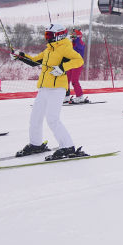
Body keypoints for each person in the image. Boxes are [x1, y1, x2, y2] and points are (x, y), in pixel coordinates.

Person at [11, 24, 87, 159]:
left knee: (52, 119)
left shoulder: (65, 48)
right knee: (35, 118)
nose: (47, 38)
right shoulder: (49, 50)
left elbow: (79, 60)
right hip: (44, 88)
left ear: (59, 35)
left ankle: (67, 146)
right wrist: (20, 56)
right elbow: (35, 61)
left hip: (57, 89)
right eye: (46, 35)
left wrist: (62, 67)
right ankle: (36, 144)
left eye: (50, 35)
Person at [64, 29, 87, 103]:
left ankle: (80, 96)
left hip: (78, 64)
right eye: (72, 34)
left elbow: (79, 47)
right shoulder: (72, 43)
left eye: (74, 35)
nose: (72, 36)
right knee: (66, 80)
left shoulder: (80, 43)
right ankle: (66, 96)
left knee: (74, 81)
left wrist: (76, 38)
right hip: (71, 63)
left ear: (78, 36)